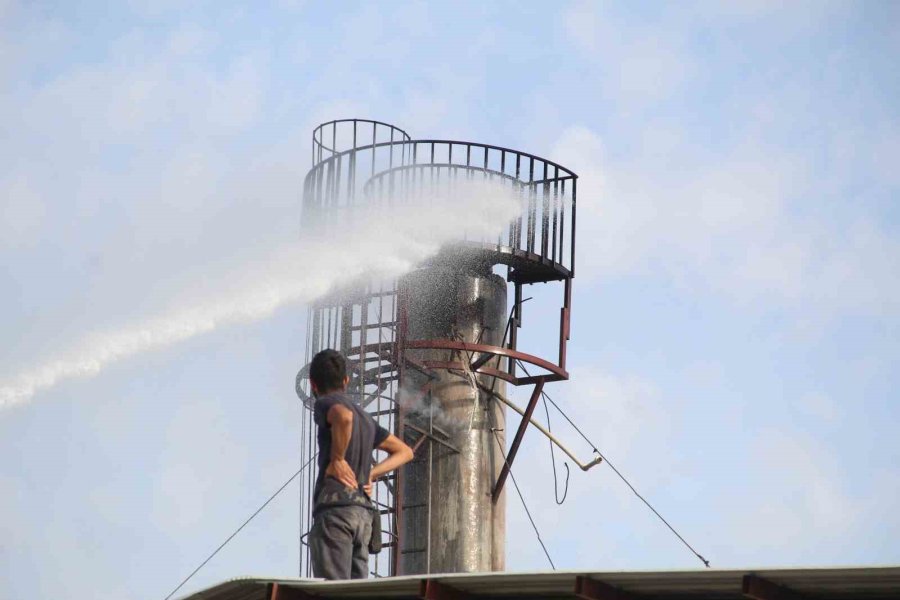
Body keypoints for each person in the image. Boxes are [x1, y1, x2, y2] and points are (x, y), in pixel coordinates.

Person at [307, 349, 414, 580]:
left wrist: (337, 459)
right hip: (363, 517)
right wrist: (370, 475)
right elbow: (404, 451)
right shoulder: (366, 418)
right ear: (346, 381)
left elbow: (343, 417)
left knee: (333, 592)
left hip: (336, 513)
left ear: (313, 384)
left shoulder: (326, 403)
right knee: (356, 591)